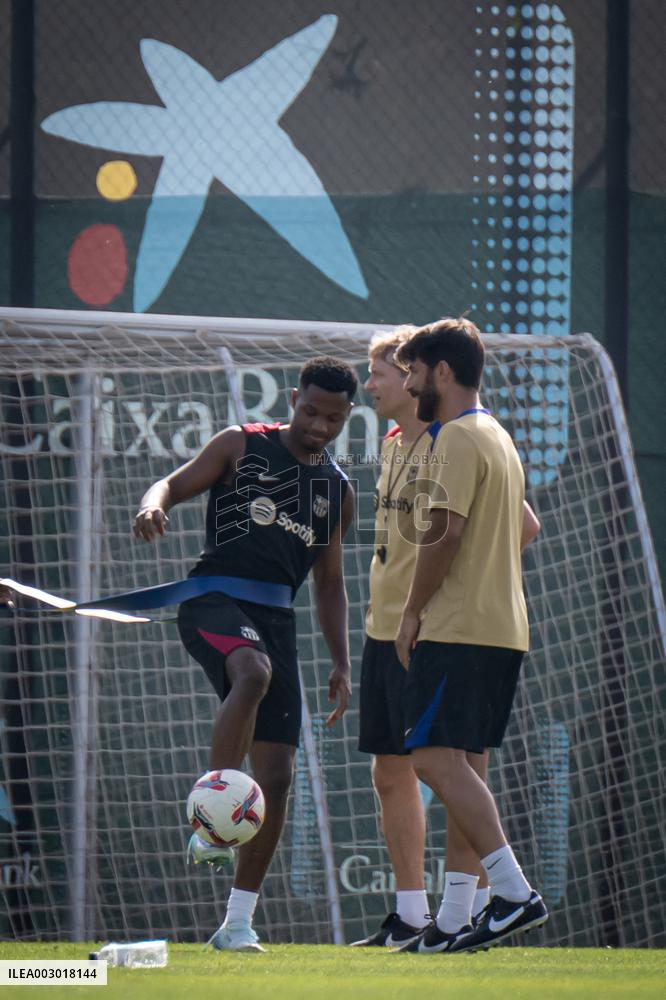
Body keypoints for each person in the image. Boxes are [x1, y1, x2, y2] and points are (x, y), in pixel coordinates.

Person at [133, 357, 356, 953]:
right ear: (294, 398)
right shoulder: (241, 444)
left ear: (346, 416)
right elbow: (172, 485)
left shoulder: (337, 490)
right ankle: (211, 817)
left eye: (331, 417)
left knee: (279, 779)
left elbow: (330, 583)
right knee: (252, 673)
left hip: (277, 620)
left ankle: (236, 925)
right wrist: (155, 505)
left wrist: (340, 659)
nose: (317, 424)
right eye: (309, 410)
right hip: (213, 600)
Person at [351, 329, 539, 949]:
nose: (402, 384)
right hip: (497, 628)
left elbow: (446, 533)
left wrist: (411, 613)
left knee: (434, 761)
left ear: (439, 372)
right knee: (453, 764)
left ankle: (511, 894)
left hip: (458, 628)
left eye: (411, 374)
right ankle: (451, 921)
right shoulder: (495, 435)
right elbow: (493, 530)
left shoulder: (456, 437)